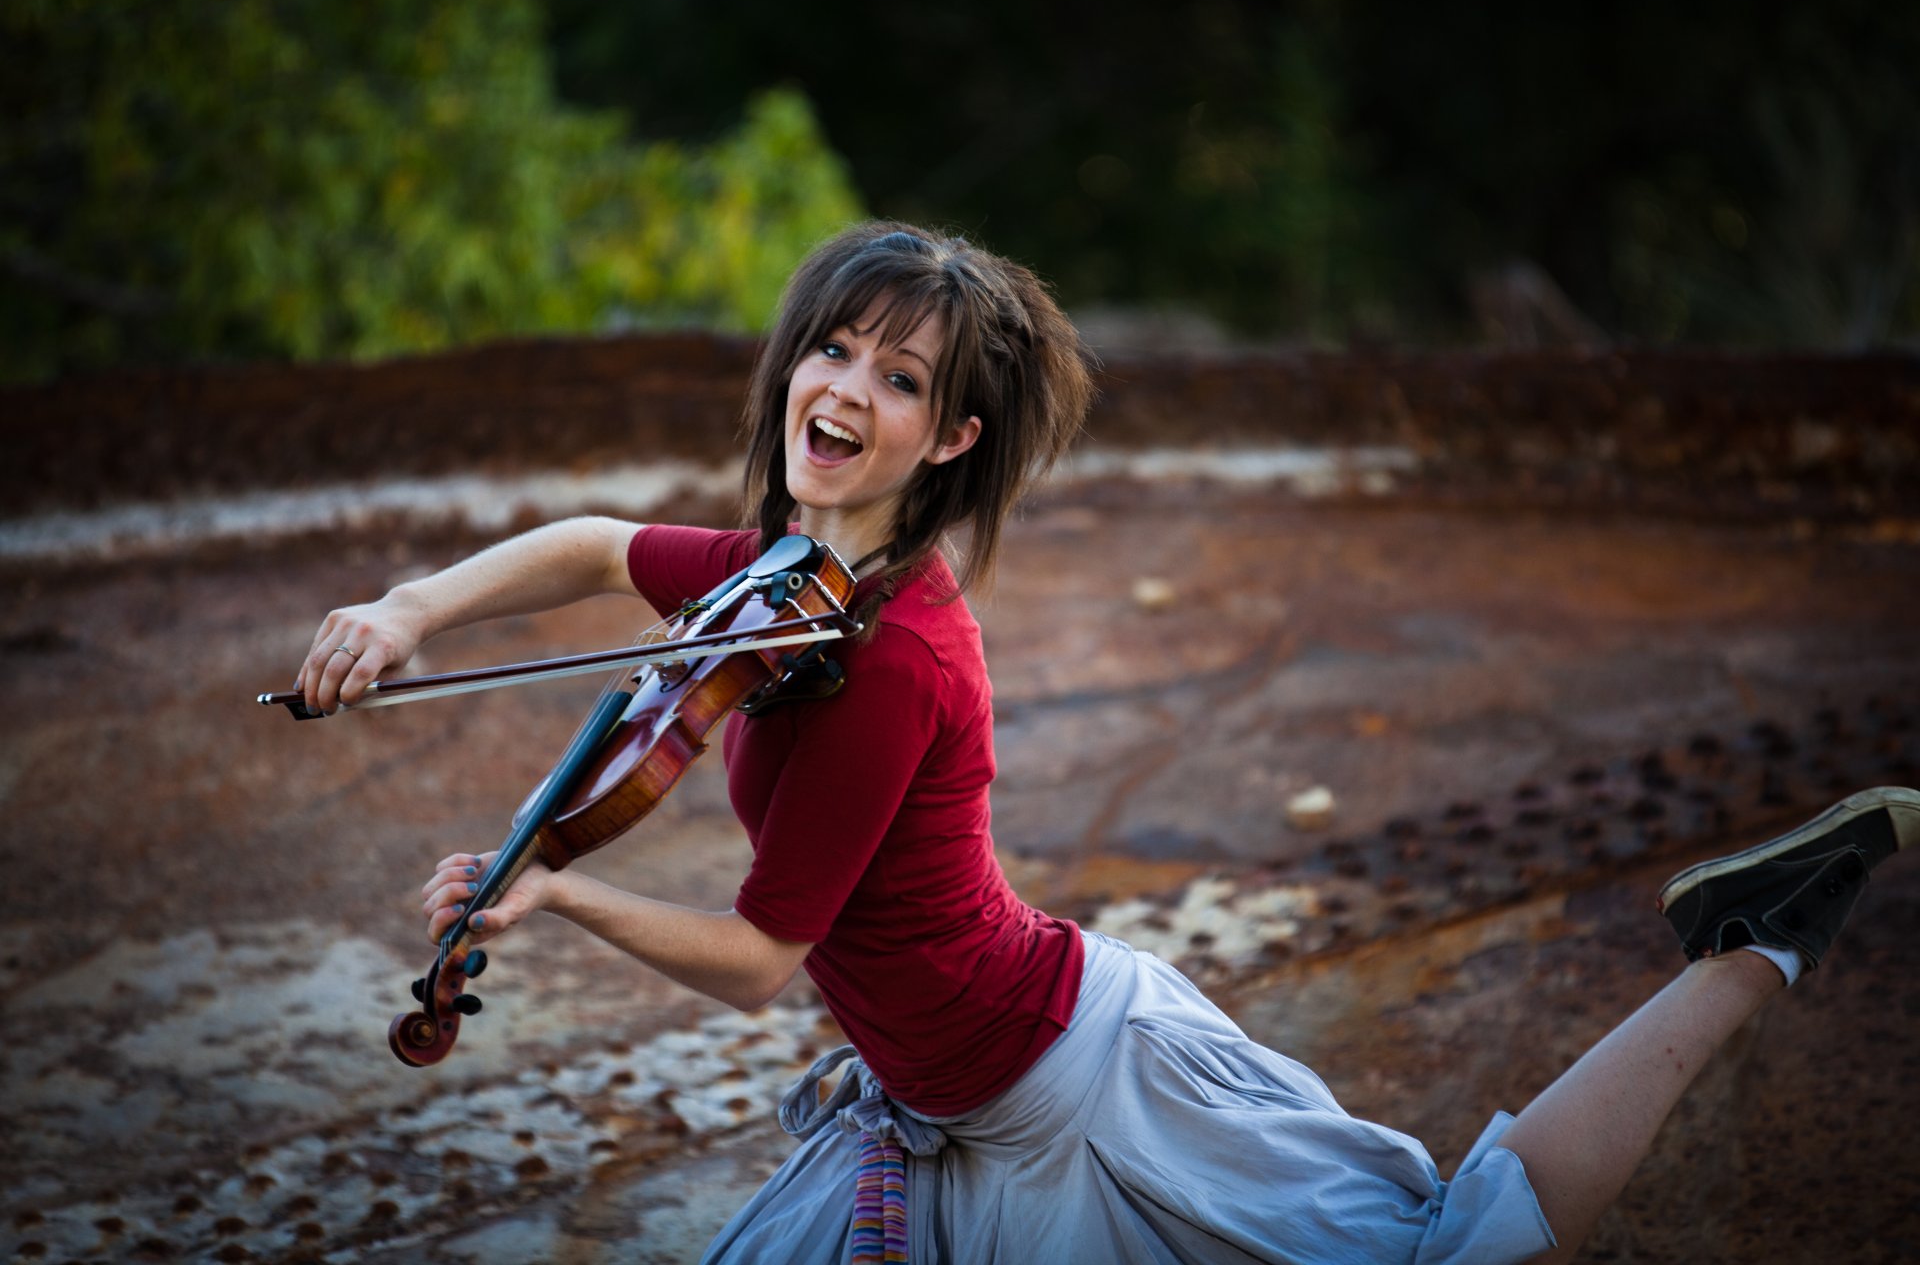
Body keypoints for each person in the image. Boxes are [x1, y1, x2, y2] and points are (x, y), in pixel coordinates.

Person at [294, 221, 1919, 1265]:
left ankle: (1749, 950)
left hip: (1073, 1089)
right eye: (832, 347)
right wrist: (409, 611)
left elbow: (754, 959)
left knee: (1457, 1255)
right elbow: (586, 543)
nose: (845, 386)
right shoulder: (781, 577)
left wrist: (556, 896)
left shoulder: (892, 659)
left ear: (950, 438)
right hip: (937, 1107)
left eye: (902, 374)